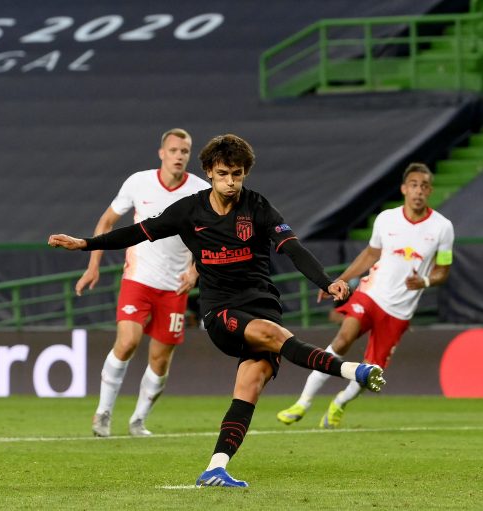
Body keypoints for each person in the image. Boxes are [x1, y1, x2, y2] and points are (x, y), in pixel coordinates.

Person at [49, 134, 385, 488]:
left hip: (262, 302)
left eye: (237, 174)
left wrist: (325, 281)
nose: (230, 182)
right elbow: (137, 232)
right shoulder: (189, 210)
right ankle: (353, 370)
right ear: (209, 171)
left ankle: (216, 467)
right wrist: (87, 244)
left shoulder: (257, 207)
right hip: (221, 310)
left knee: (250, 385)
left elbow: (292, 246)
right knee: (272, 336)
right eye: (223, 173)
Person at [277, 163, 454, 429]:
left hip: (400, 311)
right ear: (404, 189)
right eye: (414, 185)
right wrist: (339, 281)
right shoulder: (386, 219)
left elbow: (443, 270)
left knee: (372, 370)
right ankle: (303, 402)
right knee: (343, 339)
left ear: (430, 191)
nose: (419, 191)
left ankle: (340, 402)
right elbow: (371, 254)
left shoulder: (442, 227)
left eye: (424, 186)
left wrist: (426, 280)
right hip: (371, 294)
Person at [75, 128, 210, 438]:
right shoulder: (139, 182)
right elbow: (107, 222)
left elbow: (209, 238)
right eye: (173, 150)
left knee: (160, 359)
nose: (179, 156)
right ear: (161, 153)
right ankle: (103, 413)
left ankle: (138, 420)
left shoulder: (201, 191)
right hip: (139, 278)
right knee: (127, 342)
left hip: (175, 286)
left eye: (184, 151)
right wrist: (93, 265)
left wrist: (194, 270)